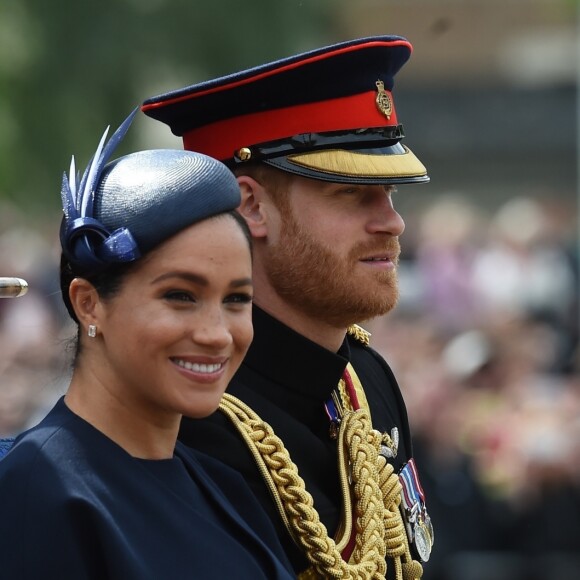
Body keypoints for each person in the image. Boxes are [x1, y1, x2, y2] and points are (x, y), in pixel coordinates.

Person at [142, 35, 433, 579]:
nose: (391, 222)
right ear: (250, 205)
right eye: (350, 193)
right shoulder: (191, 412)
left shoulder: (363, 378)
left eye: (391, 192)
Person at [0, 109, 295, 579]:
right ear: (89, 304)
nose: (217, 333)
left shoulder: (222, 486)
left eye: (238, 299)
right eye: (180, 296)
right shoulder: (39, 490)